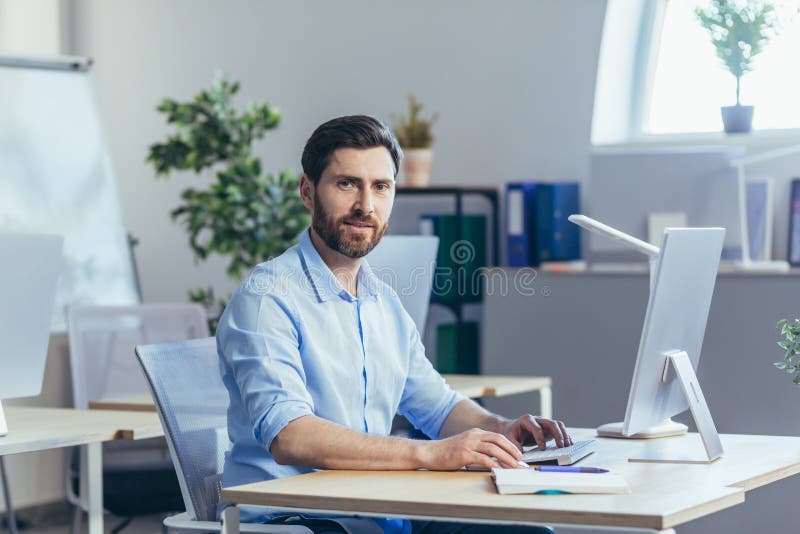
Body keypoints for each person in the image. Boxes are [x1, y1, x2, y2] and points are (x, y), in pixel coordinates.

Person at [217, 115, 571, 534]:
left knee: (530, 533)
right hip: (295, 520)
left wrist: (500, 429)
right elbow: (291, 437)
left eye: (381, 187)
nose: (365, 205)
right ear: (307, 191)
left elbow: (437, 407)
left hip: (377, 513)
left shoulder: (383, 301)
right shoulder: (267, 298)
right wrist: (430, 454)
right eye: (347, 183)